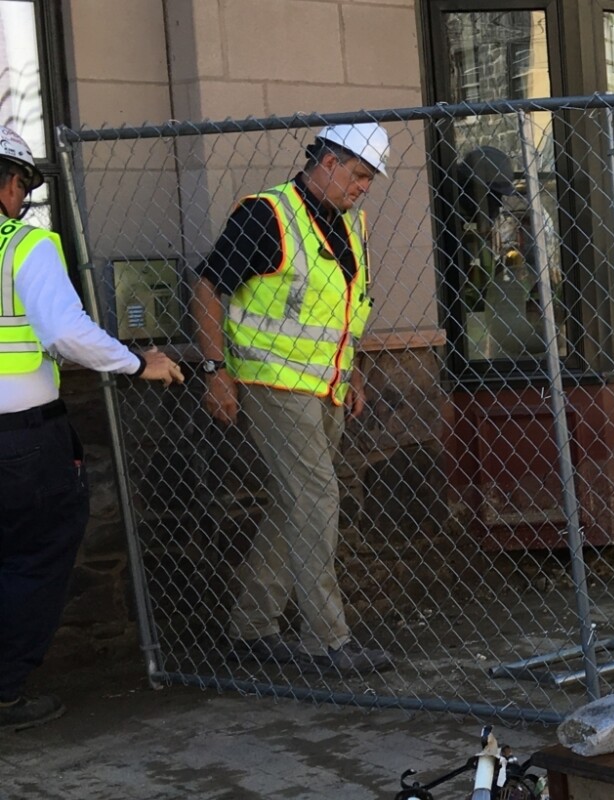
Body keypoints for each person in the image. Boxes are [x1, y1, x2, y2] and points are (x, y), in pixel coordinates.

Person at [0, 124, 185, 731]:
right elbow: (66, 333)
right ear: (9, 184)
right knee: (35, 556)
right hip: (20, 438)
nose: (22, 200)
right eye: (23, 188)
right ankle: (4, 691)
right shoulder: (26, 246)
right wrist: (139, 362)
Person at [192, 123, 394, 675]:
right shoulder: (267, 214)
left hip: (324, 386)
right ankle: (326, 639)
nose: (362, 189)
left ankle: (251, 628)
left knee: (295, 504)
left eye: (369, 180)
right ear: (327, 161)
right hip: (274, 384)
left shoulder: (349, 224)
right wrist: (214, 371)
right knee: (317, 498)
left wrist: (351, 373)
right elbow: (209, 285)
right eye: (357, 176)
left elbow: (345, 308)